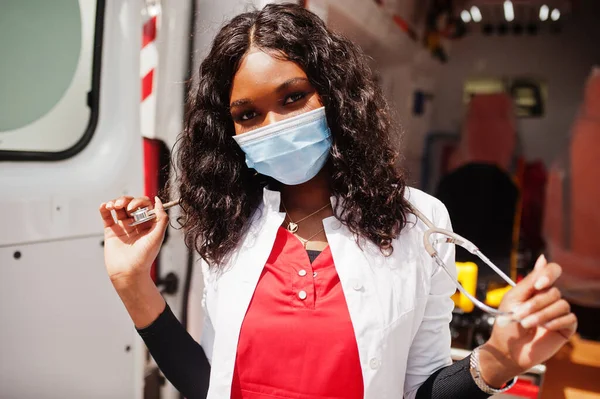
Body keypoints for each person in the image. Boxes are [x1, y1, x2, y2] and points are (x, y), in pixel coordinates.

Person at [99, 4, 577, 399]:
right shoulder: (231, 225)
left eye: (292, 98)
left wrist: (497, 359)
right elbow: (213, 386)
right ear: (230, 130)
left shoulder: (420, 223)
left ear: (334, 96)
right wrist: (131, 284)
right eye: (247, 113)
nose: (272, 126)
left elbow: (421, 389)